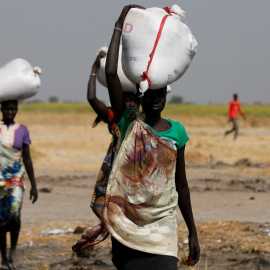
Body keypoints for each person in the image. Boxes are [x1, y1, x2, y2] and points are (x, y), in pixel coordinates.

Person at [73, 5, 200, 269]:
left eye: (161, 94)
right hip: (127, 223)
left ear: (166, 96)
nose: (156, 99)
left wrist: (193, 232)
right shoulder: (128, 122)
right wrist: (119, 24)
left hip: (163, 227)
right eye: (151, 94)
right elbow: (111, 74)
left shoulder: (177, 132)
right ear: (142, 96)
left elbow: (182, 185)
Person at [87, 51, 140, 219]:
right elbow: (92, 98)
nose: (131, 103)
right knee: (114, 215)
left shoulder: (146, 121)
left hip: (139, 173)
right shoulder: (115, 119)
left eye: (134, 100)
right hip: (117, 173)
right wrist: (94, 69)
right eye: (127, 100)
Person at [0, 100, 38, 270]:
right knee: (1, 218)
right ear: (1, 109)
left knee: (15, 213)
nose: (9, 112)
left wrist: (34, 185)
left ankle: (13, 249)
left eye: (12, 109)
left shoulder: (22, 130)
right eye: (6, 109)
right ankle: (4, 258)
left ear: (16, 110)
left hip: (15, 178)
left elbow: (27, 159)